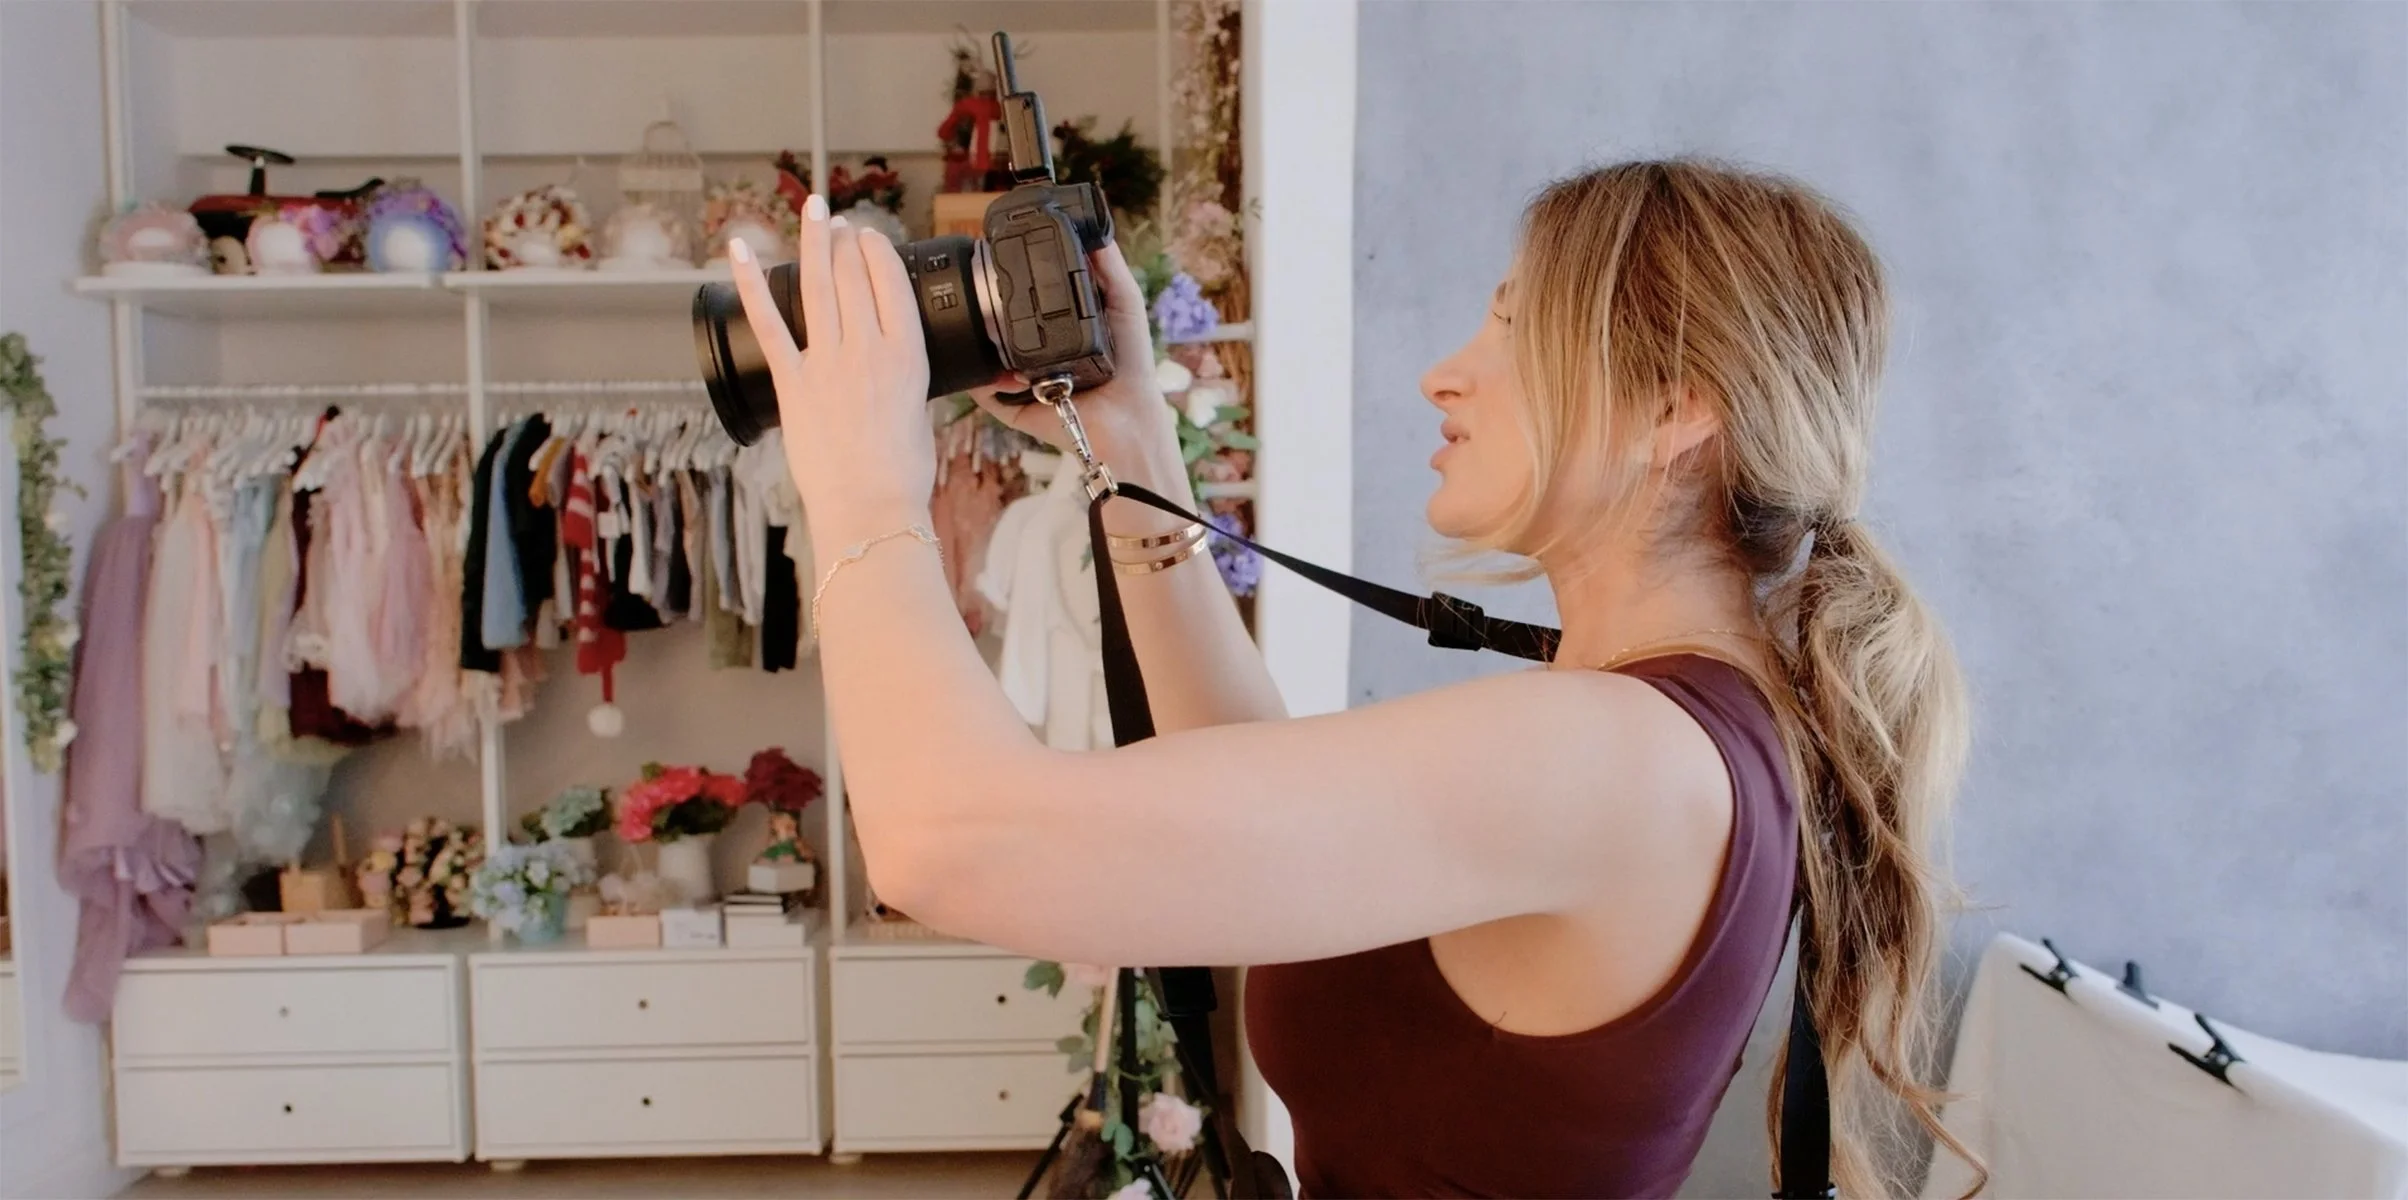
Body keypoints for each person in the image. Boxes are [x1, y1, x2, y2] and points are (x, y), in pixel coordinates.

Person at [724, 158, 1976, 1198]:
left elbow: (944, 847)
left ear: (1674, 412)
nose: (1446, 371)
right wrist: (1129, 437)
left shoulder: (1614, 752)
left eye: (1509, 325)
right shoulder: (1669, 728)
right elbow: (1244, 791)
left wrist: (863, 490)